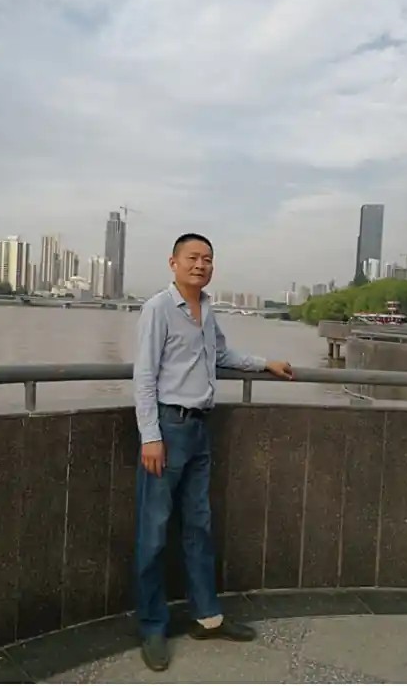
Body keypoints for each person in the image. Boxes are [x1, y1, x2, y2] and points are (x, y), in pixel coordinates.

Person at [133, 233, 293, 672]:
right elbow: (144, 376)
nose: (200, 265)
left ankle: (208, 616)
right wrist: (150, 436)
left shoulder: (207, 310)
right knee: (154, 531)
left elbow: (223, 354)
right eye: (192, 257)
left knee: (199, 527)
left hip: (200, 429)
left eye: (207, 259)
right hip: (168, 428)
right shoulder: (158, 309)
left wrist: (265, 363)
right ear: (173, 262)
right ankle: (152, 625)